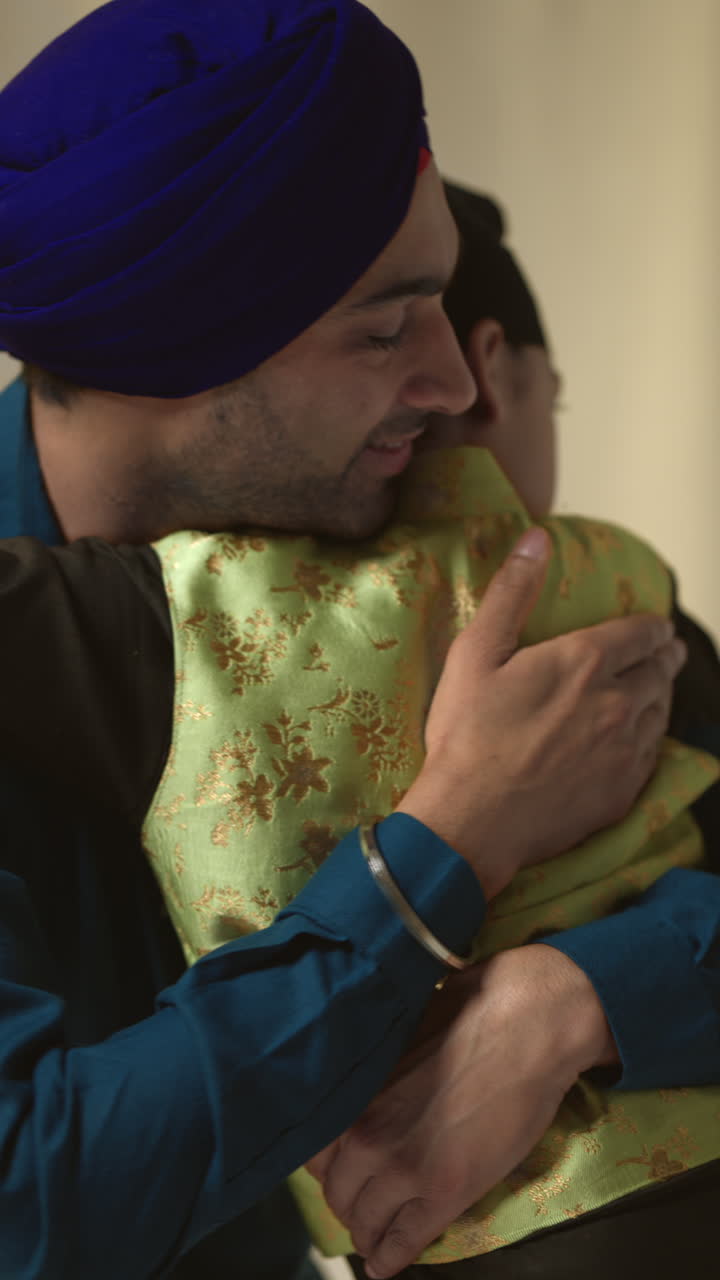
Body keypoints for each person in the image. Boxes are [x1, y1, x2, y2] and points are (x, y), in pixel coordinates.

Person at [0, 2, 704, 1276]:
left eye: (438, 300)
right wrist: (444, 850)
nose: (454, 386)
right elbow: (27, 1194)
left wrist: (573, 1001)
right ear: (173, 361)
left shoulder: (454, 533)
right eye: (385, 330)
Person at [306, 188, 720, 1278]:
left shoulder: (211, 625)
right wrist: (594, 986)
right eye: (557, 395)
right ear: (490, 369)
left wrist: (559, 997)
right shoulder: (633, 626)